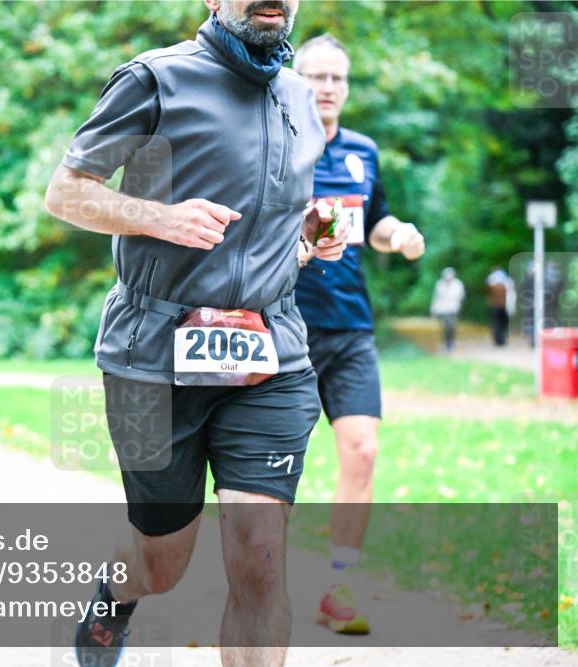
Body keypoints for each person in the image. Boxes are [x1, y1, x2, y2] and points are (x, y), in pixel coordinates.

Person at [44, 2, 349, 665]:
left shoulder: (301, 98)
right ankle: (116, 599)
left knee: (260, 556)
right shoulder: (156, 79)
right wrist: (159, 217)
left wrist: (314, 232)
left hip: (270, 355)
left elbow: (281, 218)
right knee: (161, 561)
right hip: (152, 355)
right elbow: (66, 192)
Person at [291, 33, 426, 635]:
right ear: (296, 78)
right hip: (282, 324)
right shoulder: (274, 142)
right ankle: (256, 579)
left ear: (346, 86)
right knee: (271, 466)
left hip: (349, 325)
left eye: (336, 79)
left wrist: (397, 234)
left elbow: (373, 221)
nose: (326, 88)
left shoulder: (363, 152)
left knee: (363, 450)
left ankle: (338, 584)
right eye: (316, 76)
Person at [430, 268, 466, 353]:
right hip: (443, 309)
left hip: (453, 308)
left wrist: (459, 305)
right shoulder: (440, 284)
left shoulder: (458, 284)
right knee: (445, 327)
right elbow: (436, 297)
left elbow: (461, 296)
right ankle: (447, 343)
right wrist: (434, 309)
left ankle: (451, 341)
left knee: (451, 326)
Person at [487, 267, 514, 347]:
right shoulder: (507, 282)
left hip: (497, 306)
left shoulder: (492, 282)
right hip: (502, 306)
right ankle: (501, 340)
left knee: (498, 323)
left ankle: (499, 340)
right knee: (502, 323)